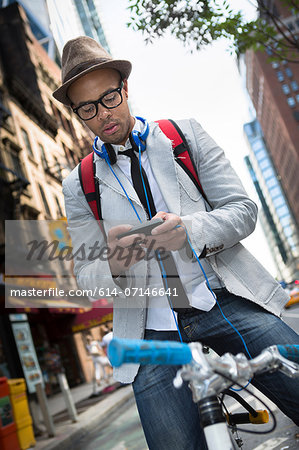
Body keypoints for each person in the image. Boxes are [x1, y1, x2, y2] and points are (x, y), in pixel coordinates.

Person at [53, 36, 299, 449]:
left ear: (125, 89)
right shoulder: (78, 185)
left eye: (109, 97)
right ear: (76, 114)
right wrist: (113, 262)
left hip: (220, 300)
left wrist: (190, 230)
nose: (103, 114)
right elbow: (88, 279)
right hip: (150, 329)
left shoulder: (184, 134)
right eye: (88, 108)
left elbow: (243, 210)